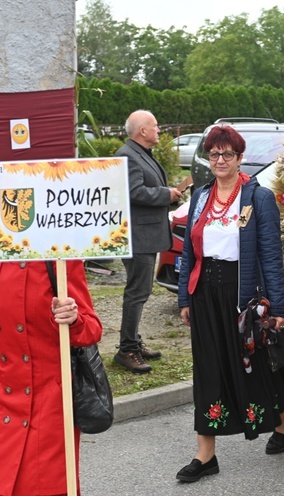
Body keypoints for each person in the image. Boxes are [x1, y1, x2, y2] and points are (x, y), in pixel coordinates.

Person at [176, 125, 284, 482]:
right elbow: (189, 250)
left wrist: (278, 308)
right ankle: (206, 455)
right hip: (205, 293)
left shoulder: (257, 197)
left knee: (257, 365)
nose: (220, 160)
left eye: (227, 154)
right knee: (208, 369)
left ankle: (283, 423)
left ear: (239, 157)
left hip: (243, 293)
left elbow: (270, 255)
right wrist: (184, 297)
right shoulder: (201, 196)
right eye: (214, 154)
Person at [0, 248, 102, 496]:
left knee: (49, 490)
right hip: (7, 401)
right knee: (8, 489)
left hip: (53, 400)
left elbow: (92, 331)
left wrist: (74, 318)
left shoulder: (60, 259)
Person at [114, 110, 182, 373]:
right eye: (155, 126)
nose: (159, 130)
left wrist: (168, 192)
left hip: (145, 234)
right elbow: (133, 192)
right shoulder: (127, 156)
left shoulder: (138, 153)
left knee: (140, 291)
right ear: (142, 131)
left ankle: (133, 342)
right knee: (137, 292)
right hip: (137, 236)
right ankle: (127, 350)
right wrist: (167, 194)